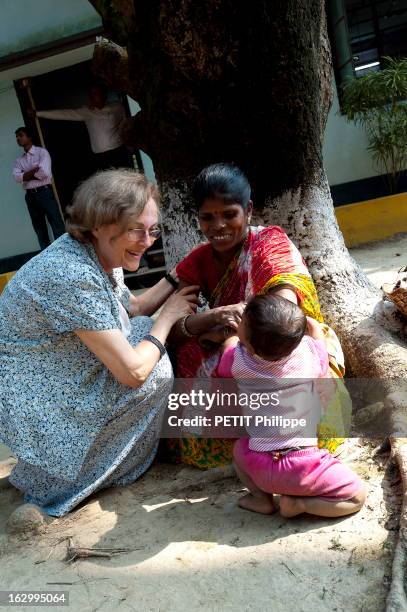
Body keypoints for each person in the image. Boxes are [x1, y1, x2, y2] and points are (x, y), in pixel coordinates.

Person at [0, 169, 198, 519]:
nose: (148, 240)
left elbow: (132, 307)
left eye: (153, 230)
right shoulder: (70, 274)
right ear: (100, 224)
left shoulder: (99, 254)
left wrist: (177, 275)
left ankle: (60, 471)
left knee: (140, 330)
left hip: (53, 379)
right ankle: (76, 481)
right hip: (39, 403)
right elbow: (133, 372)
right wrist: (168, 318)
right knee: (155, 367)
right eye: (137, 230)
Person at [167, 163, 350, 468]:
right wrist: (215, 317)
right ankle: (234, 445)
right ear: (196, 218)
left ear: (248, 210)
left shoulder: (269, 245)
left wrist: (224, 334)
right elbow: (173, 329)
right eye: (207, 217)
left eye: (229, 214)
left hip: (281, 344)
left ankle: (282, 442)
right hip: (237, 343)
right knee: (186, 354)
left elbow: (282, 316)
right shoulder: (198, 261)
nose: (219, 226)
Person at [215, 293, 365, 518]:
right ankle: (299, 505)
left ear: (250, 345)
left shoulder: (239, 361)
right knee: (356, 497)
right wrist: (314, 331)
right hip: (304, 467)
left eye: (243, 320)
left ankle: (260, 498)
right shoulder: (308, 354)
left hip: (258, 464)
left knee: (240, 447)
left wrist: (231, 338)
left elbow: (223, 363)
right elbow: (322, 355)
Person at [32, 83, 132, 171]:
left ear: (104, 95)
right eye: (91, 94)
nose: (92, 97)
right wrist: (38, 113)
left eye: (95, 94)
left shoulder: (117, 107)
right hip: (100, 157)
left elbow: (128, 120)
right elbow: (64, 114)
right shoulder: (87, 112)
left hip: (118, 152)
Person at [12, 126, 65, 250]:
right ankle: (46, 258)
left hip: (44, 192)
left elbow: (44, 174)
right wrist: (33, 172)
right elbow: (16, 178)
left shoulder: (42, 153)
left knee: (56, 224)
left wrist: (25, 175)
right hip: (30, 196)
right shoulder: (19, 160)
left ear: (29, 137)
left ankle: (63, 253)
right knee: (39, 228)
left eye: (20, 135)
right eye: (16, 137)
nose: (18, 138)